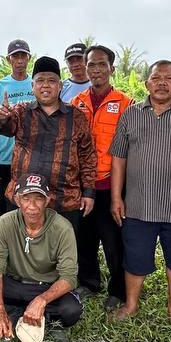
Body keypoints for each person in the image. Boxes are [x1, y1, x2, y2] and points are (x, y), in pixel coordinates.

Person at [108, 60, 171, 325]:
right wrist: (116, 197)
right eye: (156, 78)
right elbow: (118, 159)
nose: (162, 83)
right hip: (138, 205)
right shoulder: (130, 114)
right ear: (147, 84)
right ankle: (131, 306)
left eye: (168, 78)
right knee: (135, 259)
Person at [0, 173, 82, 341]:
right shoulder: (5, 223)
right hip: (13, 284)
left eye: (38, 199)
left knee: (71, 310)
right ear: (17, 200)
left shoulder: (62, 228)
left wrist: (42, 300)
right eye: (26, 199)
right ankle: (18, 313)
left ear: (47, 200)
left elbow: (69, 278)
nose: (32, 206)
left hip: (45, 287)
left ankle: (23, 312)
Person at [0, 55, 96, 232]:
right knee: (21, 253)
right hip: (23, 199)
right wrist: (2, 118)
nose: (46, 85)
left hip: (64, 200)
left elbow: (87, 156)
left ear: (60, 86)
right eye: (40, 80)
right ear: (32, 86)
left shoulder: (77, 116)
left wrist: (88, 193)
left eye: (52, 80)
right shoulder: (21, 111)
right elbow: (5, 129)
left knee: (62, 254)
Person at [70, 45, 133, 309]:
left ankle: (117, 291)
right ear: (85, 69)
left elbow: (132, 145)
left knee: (113, 240)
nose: (96, 70)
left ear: (111, 69)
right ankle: (89, 282)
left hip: (112, 183)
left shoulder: (125, 104)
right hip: (84, 185)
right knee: (84, 237)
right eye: (91, 65)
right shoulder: (78, 102)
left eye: (101, 65)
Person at [0, 39, 35, 217]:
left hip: (31, 156)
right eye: (16, 56)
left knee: (29, 204)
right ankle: (3, 243)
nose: (20, 60)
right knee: (4, 205)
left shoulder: (35, 85)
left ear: (29, 58)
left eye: (23, 55)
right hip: (5, 157)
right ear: (9, 60)